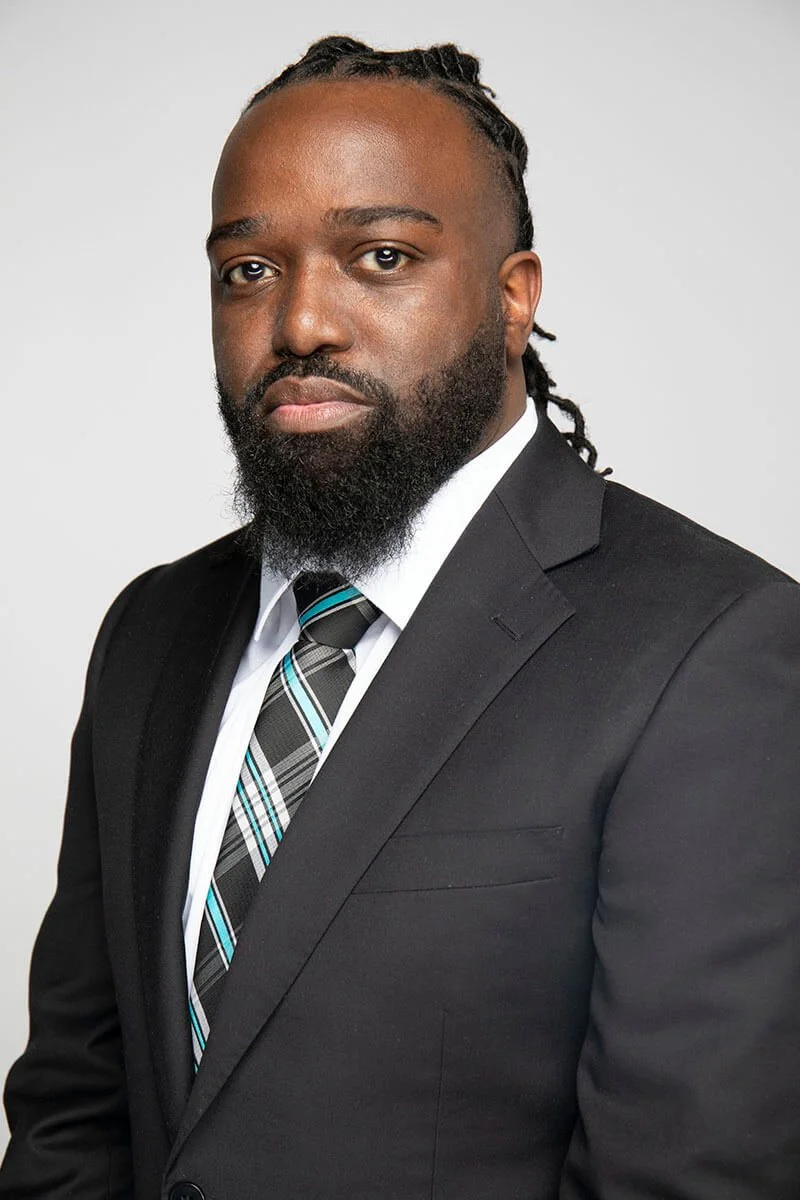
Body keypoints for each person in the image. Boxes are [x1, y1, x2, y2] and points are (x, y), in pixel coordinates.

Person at [2, 34, 799, 1200]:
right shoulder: (151, 632)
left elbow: (687, 1174)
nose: (302, 323)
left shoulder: (710, 647)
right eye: (247, 270)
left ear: (514, 296)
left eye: (380, 255)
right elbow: (75, 1105)